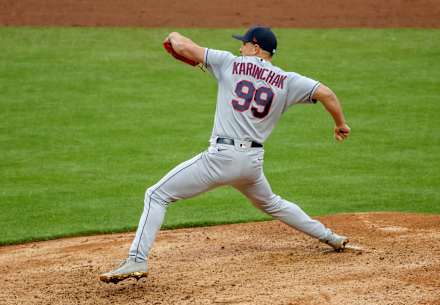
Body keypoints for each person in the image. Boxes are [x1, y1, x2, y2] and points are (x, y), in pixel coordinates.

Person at [100, 26, 351, 284]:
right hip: (252, 164)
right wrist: (340, 124)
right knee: (273, 203)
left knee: (157, 194)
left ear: (255, 47)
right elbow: (326, 93)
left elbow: (183, 46)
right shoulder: (288, 81)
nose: (240, 48)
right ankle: (331, 237)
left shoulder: (229, 62)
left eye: (244, 44)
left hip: (221, 158)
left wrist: (172, 35)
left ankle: (137, 259)